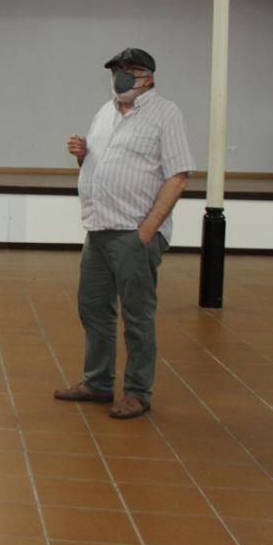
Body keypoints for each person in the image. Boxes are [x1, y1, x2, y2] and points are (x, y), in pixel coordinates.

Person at [54, 47, 193, 420]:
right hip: (98, 228)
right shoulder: (105, 112)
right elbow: (105, 164)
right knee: (93, 309)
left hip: (134, 233)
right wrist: (82, 155)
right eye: (116, 70)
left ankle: (137, 391)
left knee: (137, 316)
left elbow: (178, 176)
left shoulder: (166, 114)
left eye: (129, 70)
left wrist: (146, 231)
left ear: (148, 76)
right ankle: (97, 382)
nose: (121, 77)